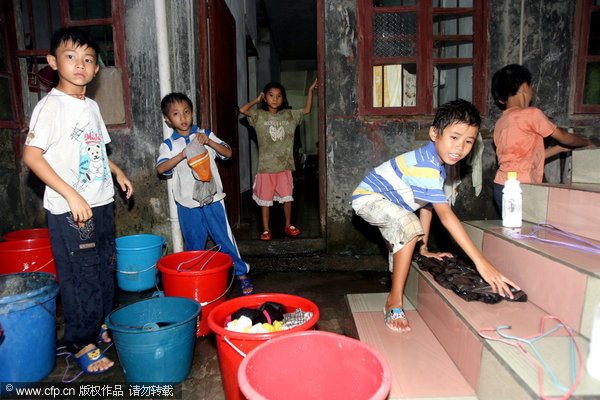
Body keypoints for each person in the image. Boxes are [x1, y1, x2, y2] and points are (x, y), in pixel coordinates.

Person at [352, 99, 520, 333]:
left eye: (468, 141)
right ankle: (394, 301)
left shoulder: (436, 164)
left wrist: (423, 247)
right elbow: (445, 215)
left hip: (388, 202)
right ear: (434, 133)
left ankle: (408, 262)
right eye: (454, 137)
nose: (460, 147)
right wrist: (481, 263)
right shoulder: (426, 166)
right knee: (408, 225)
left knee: (409, 227)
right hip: (367, 199)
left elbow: (427, 207)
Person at [23, 27, 133, 373]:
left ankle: (99, 324)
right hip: (71, 210)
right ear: (53, 62)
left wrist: (117, 172)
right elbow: (31, 155)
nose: (80, 65)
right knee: (80, 275)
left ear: (97, 68)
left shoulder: (91, 106)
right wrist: (70, 194)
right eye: (71, 57)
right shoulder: (51, 107)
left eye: (88, 59)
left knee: (103, 268)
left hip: (100, 203)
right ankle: (80, 341)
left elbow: (96, 148)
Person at [156, 93, 254, 295]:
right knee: (194, 244)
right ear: (167, 119)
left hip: (213, 200)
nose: (183, 118)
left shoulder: (204, 134)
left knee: (224, 239)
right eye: (176, 114)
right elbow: (161, 169)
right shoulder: (168, 145)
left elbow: (228, 153)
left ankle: (241, 273)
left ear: (192, 113)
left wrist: (209, 142)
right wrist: (181, 155)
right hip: (187, 204)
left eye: (186, 112)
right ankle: (197, 279)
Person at [491, 64, 595, 211]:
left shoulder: (501, 123)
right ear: (524, 87)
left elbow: (527, 158)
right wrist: (586, 142)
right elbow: (564, 137)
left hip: (501, 186)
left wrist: (559, 149)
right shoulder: (532, 114)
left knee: (513, 230)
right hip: (522, 189)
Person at [239, 79, 317, 240]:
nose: (275, 98)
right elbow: (242, 110)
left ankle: (288, 225)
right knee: (265, 201)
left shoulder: (289, 115)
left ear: (283, 99)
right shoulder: (259, 115)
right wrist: (256, 100)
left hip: (284, 166)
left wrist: (310, 91)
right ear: (265, 98)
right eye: (271, 95)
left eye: (279, 96)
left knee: (287, 197)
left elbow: (307, 110)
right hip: (266, 167)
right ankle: (266, 230)